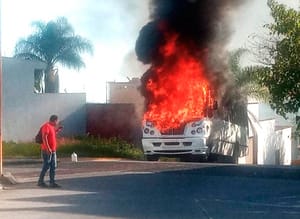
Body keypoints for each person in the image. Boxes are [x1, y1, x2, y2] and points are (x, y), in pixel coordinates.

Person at [37, 114, 63, 188]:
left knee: (53, 166)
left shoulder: (52, 127)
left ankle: (52, 182)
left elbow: (52, 135)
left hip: (53, 150)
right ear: (54, 120)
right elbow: (44, 137)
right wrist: (48, 148)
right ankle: (40, 181)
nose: (57, 123)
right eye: (57, 121)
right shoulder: (46, 126)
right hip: (47, 150)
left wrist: (57, 130)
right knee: (46, 166)